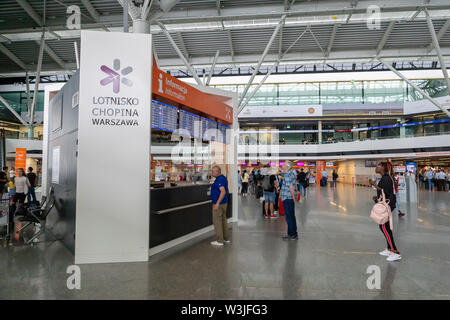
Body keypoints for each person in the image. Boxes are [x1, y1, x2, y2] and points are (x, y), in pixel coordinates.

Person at [369, 162, 401, 262]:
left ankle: (395, 252)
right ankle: (389, 249)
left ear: (383, 167)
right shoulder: (385, 178)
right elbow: (383, 192)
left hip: (388, 205)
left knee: (384, 227)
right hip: (386, 204)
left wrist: (375, 185)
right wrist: (376, 197)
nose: (376, 167)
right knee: (384, 227)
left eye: (378, 166)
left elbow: (386, 191)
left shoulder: (386, 178)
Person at [210, 166, 230, 246]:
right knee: (223, 221)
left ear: (218, 172)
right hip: (224, 203)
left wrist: (217, 203)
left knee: (217, 222)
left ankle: (219, 241)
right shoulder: (223, 178)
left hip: (219, 204)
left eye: (213, 171)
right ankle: (226, 238)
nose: (212, 173)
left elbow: (223, 191)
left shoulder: (219, 180)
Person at [280, 161, 298, 241]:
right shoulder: (291, 173)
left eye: (283, 165)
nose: (282, 166)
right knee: (292, 216)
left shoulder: (287, 174)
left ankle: (291, 235)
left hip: (287, 198)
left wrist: (293, 197)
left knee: (289, 217)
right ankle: (293, 233)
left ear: (287, 167)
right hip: (289, 198)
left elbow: (290, 187)